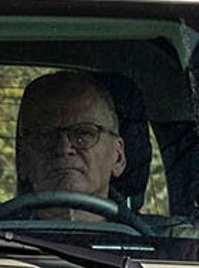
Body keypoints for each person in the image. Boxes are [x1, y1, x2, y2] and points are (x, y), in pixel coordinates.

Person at [11, 70, 129, 212]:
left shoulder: (155, 233)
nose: (63, 148)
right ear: (22, 160)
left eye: (84, 133)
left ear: (118, 157)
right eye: (45, 135)